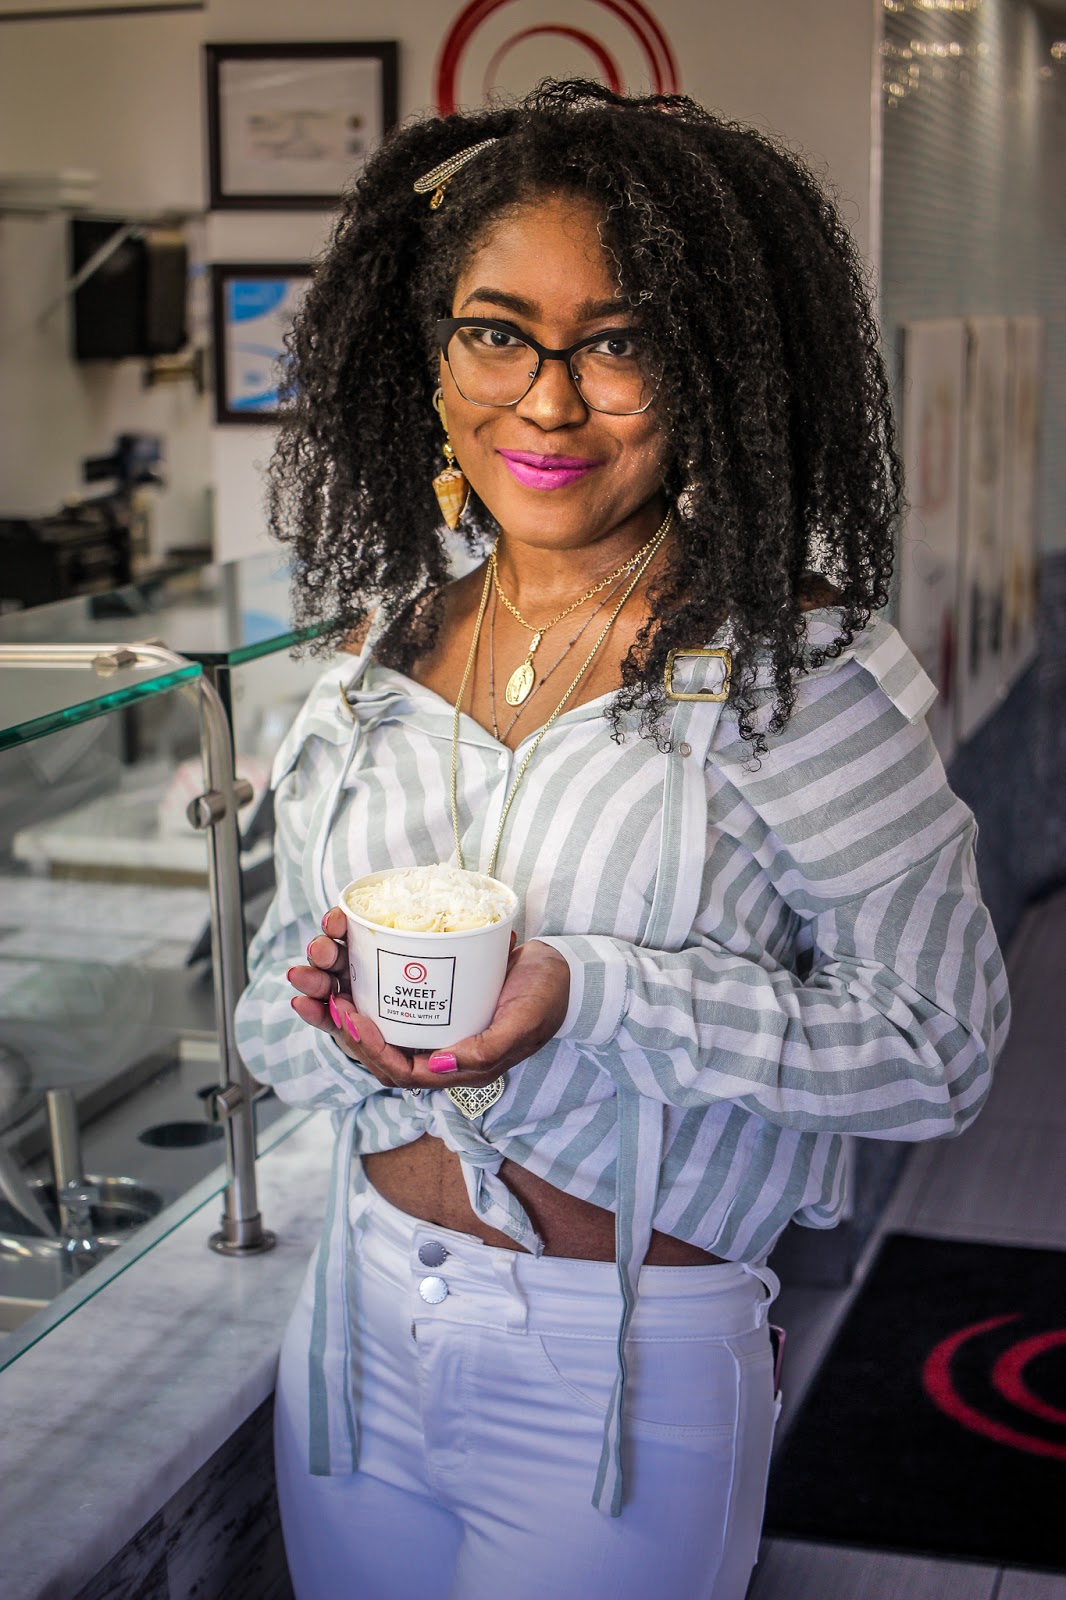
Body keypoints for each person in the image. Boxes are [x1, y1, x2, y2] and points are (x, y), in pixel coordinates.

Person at [234, 79, 1009, 1600]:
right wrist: (346, 1031)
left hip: (615, 1373)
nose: (546, 398)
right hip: (352, 1323)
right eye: (495, 329)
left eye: (620, 342)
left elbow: (938, 1048)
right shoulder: (374, 654)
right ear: (431, 345)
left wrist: (590, 993)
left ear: (708, 367)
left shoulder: (795, 679)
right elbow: (269, 995)